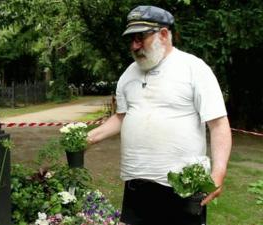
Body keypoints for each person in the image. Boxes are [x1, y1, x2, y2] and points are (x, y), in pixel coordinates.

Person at [86, 5, 232, 225]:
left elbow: (219, 124)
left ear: (163, 34)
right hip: (137, 187)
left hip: (184, 188)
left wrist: (218, 173)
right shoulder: (128, 74)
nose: (134, 46)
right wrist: (88, 138)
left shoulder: (194, 68)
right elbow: (122, 117)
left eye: (140, 38)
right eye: (131, 39)